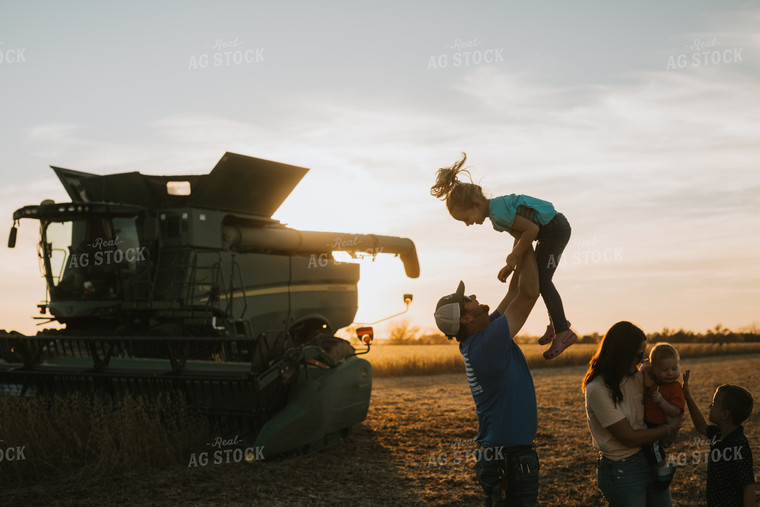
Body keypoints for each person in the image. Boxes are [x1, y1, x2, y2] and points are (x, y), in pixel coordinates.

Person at [430, 152, 575, 360]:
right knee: (543, 279)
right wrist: (512, 262)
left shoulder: (498, 215)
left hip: (553, 229)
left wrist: (514, 258)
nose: (469, 224)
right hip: (552, 228)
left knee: (543, 281)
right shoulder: (497, 213)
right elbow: (521, 238)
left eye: (466, 218)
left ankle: (562, 330)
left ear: (477, 204)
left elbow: (531, 231)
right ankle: (557, 324)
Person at [434, 244, 540, 506]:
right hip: (509, 459)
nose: (473, 295)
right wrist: (528, 242)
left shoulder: (482, 336)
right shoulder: (487, 344)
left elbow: (515, 291)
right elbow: (529, 294)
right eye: (467, 299)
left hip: (502, 456)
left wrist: (520, 244)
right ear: (466, 319)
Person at [583, 321, 681, 506]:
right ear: (621, 354)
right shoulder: (598, 388)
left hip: (650, 459)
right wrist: (669, 428)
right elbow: (628, 437)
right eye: (638, 355)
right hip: (622, 468)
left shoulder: (638, 377)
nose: (642, 359)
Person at [682, 370, 755, 506]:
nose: (710, 406)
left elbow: (748, 485)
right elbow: (701, 426)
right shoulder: (718, 434)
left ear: (725, 414)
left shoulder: (739, 444)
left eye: (714, 404)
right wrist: (687, 395)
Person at [641, 342, 685, 490]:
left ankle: (663, 468)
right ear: (654, 370)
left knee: (653, 447)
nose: (671, 373)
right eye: (665, 370)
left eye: (674, 368)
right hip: (647, 422)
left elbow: (676, 411)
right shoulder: (653, 382)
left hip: (659, 425)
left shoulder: (675, 387)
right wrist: (646, 368)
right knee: (648, 449)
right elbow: (644, 375)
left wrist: (661, 401)